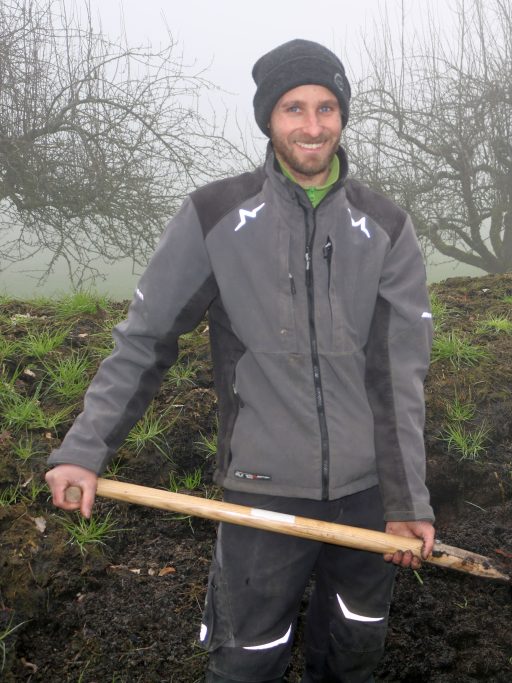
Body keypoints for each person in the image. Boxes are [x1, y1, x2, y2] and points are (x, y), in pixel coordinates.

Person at [45, 38, 435, 683]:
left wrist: (408, 498)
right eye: (293, 108)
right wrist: (85, 449)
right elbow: (145, 340)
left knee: (354, 656)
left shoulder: (386, 226)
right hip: (260, 495)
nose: (312, 126)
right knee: (245, 661)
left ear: (342, 116)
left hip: (367, 497)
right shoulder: (215, 216)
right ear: (268, 119)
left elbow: (401, 371)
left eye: (327, 107)